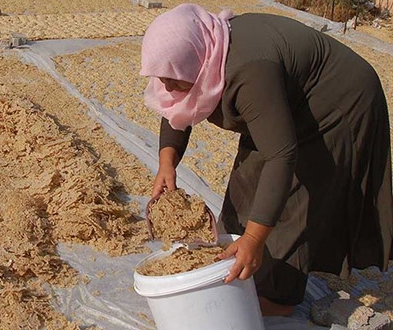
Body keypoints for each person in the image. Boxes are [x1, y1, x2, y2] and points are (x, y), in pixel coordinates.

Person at [141, 3, 393, 316]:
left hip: (336, 102)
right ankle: (240, 259)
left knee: (294, 199)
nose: (166, 86)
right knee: (248, 181)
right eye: (162, 77)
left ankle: (277, 296)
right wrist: (167, 163)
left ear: (196, 59)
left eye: (173, 78)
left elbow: (281, 157)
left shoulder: (248, 71)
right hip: (287, 98)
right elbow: (175, 104)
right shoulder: (205, 49)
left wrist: (255, 238)